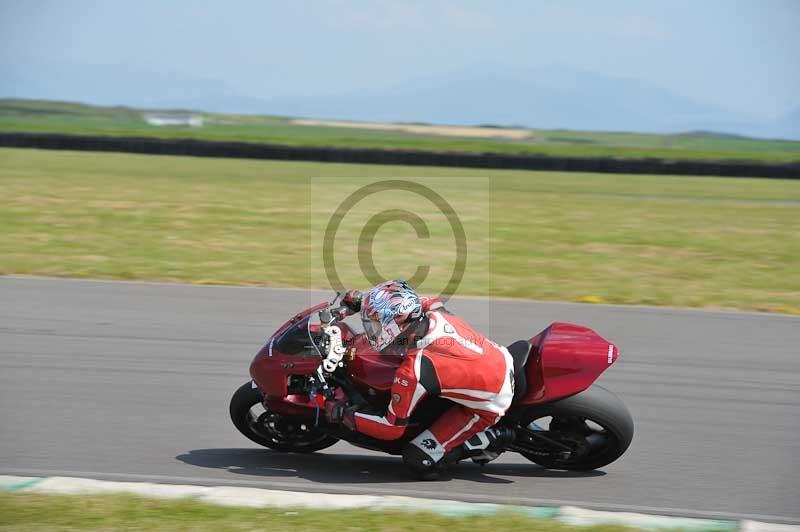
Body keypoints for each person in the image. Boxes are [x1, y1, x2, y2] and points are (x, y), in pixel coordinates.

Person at [326, 279, 515, 479]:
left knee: (418, 458)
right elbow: (421, 301)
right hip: (499, 356)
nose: (372, 329)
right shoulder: (434, 312)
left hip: (491, 402)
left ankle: (491, 437)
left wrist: (344, 414)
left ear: (395, 326)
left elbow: (392, 428)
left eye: (376, 324)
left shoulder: (414, 370)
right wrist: (362, 302)